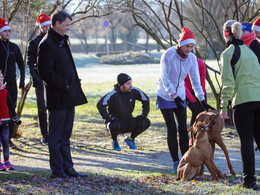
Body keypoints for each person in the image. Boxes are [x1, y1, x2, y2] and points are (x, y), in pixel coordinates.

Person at [37, 10, 88, 178]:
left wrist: (71, 85)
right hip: (58, 98)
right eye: (67, 25)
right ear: (57, 24)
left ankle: (68, 169)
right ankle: (58, 171)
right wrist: (65, 84)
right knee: (56, 137)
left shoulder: (61, 41)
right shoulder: (47, 44)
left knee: (66, 136)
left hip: (68, 96)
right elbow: (45, 73)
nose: (69, 28)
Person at [156, 27, 210, 173]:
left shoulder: (191, 58)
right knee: (172, 128)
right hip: (165, 95)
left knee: (182, 129)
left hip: (180, 94)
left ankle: (185, 159)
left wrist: (201, 98)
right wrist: (173, 95)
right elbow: (164, 77)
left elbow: (195, 80)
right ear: (180, 44)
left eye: (192, 47)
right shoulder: (168, 55)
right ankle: (175, 161)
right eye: (187, 46)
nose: (189, 50)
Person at [220, 20, 260, 190]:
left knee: (246, 141)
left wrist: (223, 107)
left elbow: (228, 83)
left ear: (226, 34)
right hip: (259, 100)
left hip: (242, 102)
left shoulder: (228, 53)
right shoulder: (250, 51)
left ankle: (249, 181)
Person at [97, 73, 150, 151]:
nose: (131, 85)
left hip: (129, 120)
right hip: (116, 122)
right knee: (113, 125)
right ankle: (114, 141)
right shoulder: (113, 94)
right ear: (121, 85)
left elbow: (145, 99)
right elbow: (100, 105)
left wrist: (143, 115)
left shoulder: (134, 90)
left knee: (145, 122)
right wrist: (108, 118)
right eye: (128, 83)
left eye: (131, 82)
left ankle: (130, 139)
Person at [0, 18, 25, 149]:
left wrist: (21, 81)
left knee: (11, 110)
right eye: (5, 31)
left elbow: (21, 65)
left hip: (11, 83)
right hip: (0, 85)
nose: (8, 33)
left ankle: (8, 138)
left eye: (9, 31)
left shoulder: (14, 47)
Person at [27, 13, 51, 145]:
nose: (48, 28)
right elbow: (30, 62)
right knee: (42, 107)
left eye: (49, 26)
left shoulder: (55, 39)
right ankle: (44, 134)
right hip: (40, 79)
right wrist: (34, 78)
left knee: (53, 106)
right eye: (45, 26)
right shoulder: (34, 42)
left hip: (53, 79)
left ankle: (54, 132)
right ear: (41, 27)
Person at [0, 71, 21, 171]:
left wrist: (14, 116)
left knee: (5, 141)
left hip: (5, 121)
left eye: (1, 80)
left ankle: (7, 161)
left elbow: (10, 105)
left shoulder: (5, 92)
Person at [185, 57, 206, 127]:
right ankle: (193, 135)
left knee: (202, 111)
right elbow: (182, 85)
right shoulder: (182, 64)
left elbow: (203, 79)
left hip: (199, 90)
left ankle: (202, 133)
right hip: (187, 92)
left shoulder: (200, 62)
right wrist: (193, 100)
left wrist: (202, 96)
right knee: (196, 111)